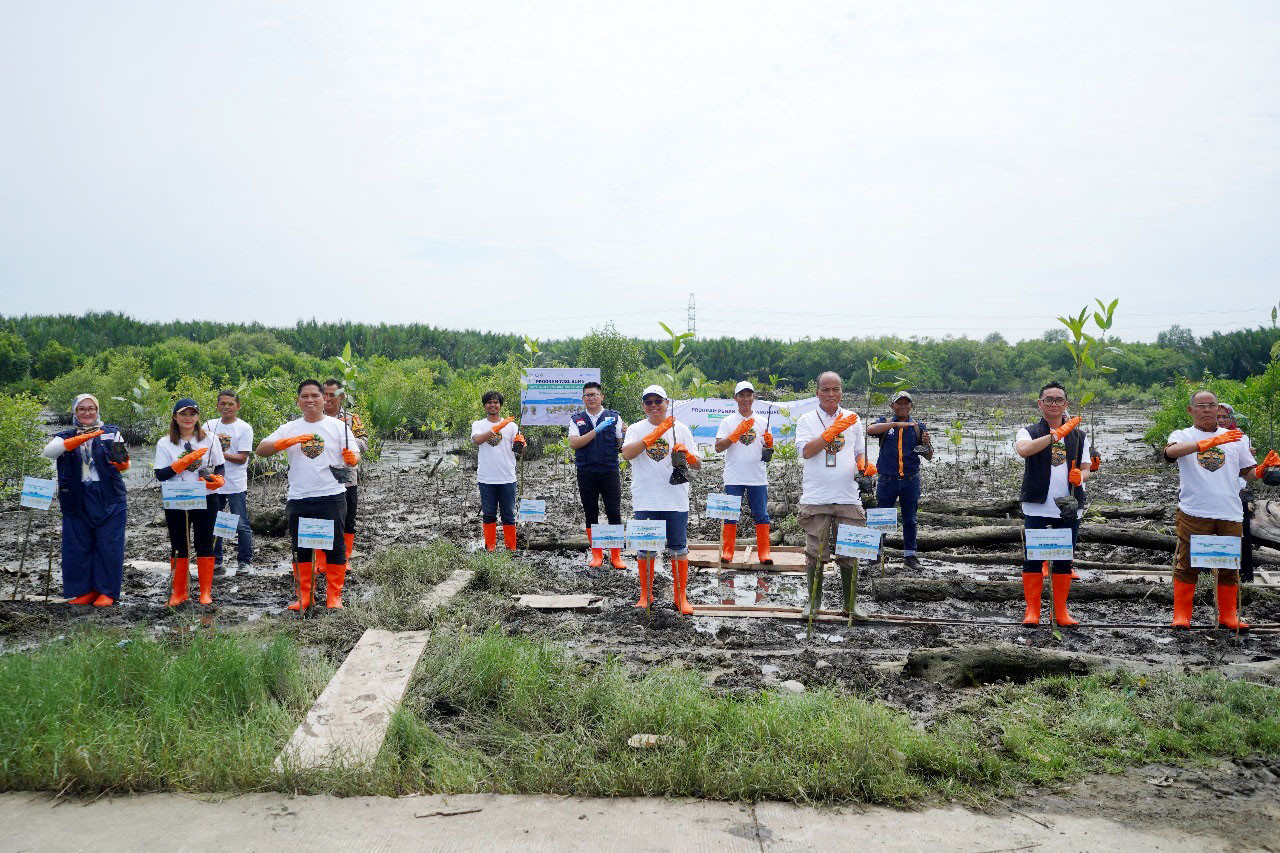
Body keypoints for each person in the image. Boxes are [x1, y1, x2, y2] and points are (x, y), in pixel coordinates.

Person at [1164, 390, 1277, 630]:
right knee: (1187, 564)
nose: (1206, 410)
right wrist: (1207, 443)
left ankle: (1228, 615)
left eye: (1211, 405)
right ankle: (1182, 616)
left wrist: (1262, 470)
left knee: (1230, 565)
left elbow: (1246, 472)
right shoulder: (1183, 435)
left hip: (1229, 511)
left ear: (1219, 409)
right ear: (1190, 410)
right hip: (1194, 511)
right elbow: (1170, 453)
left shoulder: (1236, 438)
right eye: (1201, 405)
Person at [257, 380, 360, 610]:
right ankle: (305, 596)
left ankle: (334, 597)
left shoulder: (338, 426)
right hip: (300, 496)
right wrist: (284, 442)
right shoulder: (290, 427)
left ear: (324, 399)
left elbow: (355, 453)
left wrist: (352, 458)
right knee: (301, 547)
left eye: (315, 395)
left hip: (332, 495)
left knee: (335, 546)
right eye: (305, 396)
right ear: (298, 401)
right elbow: (261, 449)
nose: (310, 400)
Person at [794, 372, 873, 619]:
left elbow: (859, 451)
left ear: (841, 392)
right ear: (817, 392)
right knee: (815, 552)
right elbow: (806, 451)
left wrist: (864, 466)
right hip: (816, 497)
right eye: (826, 389)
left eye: (835, 389)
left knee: (850, 552)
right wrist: (831, 432)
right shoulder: (806, 420)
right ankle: (814, 603)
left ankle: (851, 604)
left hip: (848, 495)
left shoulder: (853, 419)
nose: (831, 394)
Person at [1013, 382, 1093, 626]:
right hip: (1038, 504)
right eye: (1049, 399)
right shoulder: (1028, 431)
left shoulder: (1079, 436)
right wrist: (1054, 436)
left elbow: (1087, 467)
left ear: (1066, 404)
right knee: (1033, 558)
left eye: (1059, 400)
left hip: (1069, 505)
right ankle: (1032, 611)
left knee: (1064, 559)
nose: (1054, 404)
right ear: (1040, 404)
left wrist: (1081, 476)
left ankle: (1060, 612)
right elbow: (1024, 450)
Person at [42, 393, 129, 606]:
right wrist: (76, 441)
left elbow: (124, 459)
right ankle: (84, 591)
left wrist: (124, 464)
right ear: (75, 412)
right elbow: (49, 452)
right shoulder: (64, 436)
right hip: (75, 496)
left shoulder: (111, 433)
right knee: (77, 546)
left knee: (109, 545)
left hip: (109, 495)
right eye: (81, 409)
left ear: (97, 410)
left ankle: (106, 592)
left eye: (91, 408)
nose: (87, 412)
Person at [621, 385, 701, 614]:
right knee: (646, 549)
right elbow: (627, 454)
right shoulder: (636, 429)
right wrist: (654, 435)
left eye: (658, 401)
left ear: (667, 403)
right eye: (649, 402)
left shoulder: (681, 429)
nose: (654, 406)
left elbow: (698, 464)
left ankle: (680, 596)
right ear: (643, 406)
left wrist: (687, 454)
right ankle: (646, 594)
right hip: (646, 500)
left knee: (678, 548)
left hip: (675, 500)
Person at [155, 399, 226, 606]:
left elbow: (220, 466)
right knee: (179, 544)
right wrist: (180, 464)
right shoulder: (165, 442)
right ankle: (179, 592)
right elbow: (160, 474)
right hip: (176, 497)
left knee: (205, 542)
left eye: (192, 414)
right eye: (183, 414)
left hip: (205, 496)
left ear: (198, 417)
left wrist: (219, 479)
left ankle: (205, 592)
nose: (188, 418)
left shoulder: (210, 439)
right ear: (174, 417)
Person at [866, 390, 932, 570]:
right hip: (887, 480)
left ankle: (910, 556)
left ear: (911, 406)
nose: (902, 406)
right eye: (899, 403)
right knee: (881, 518)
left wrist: (926, 443)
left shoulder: (918, 427)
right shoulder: (885, 423)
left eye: (906, 403)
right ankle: (875, 555)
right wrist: (895, 424)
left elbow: (929, 456)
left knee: (910, 520)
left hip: (911, 480)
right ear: (892, 406)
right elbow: (869, 429)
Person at [714, 380, 775, 565]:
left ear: (753, 397)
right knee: (730, 513)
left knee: (761, 514)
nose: (745, 399)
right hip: (734, 476)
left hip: (757, 477)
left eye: (749, 395)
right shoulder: (728, 422)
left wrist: (770, 444)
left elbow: (768, 453)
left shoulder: (763, 421)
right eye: (742, 395)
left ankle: (764, 552)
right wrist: (734, 435)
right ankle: (727, 551)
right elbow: (718, 447)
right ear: (736, 398)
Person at [567, 381, 626, 569]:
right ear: (583, 399)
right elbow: (574, 443)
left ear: (602, 397)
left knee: (614, 512)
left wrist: (625, 434)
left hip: (609, 472)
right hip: (586, 473)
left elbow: (621, 445)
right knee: (591, 512)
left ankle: (616, 556)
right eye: (587, 395)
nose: (591, 398)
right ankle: (597, 554)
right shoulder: (576, 419)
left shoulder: (614, 417)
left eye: (594, 394)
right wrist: (596, 430)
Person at [203, 390, 254, 575]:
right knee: (214, 522)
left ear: (238, 406)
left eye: (231, 404)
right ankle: (217, 561)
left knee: (241, 524)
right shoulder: (209, 425)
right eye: (223, 403)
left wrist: (219, 453)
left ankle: (245, 562)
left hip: (235, 484)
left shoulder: (244, 428)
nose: (227, 407)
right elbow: (201, 449)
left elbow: (242, 458)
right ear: (217, 406)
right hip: (214, 483)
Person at [322, 379, 369, 567]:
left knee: (347, 518)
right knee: (322, 517)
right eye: (324, 394)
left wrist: (347, 443)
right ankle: (322, 560)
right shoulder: (314, 419)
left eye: (332, 395)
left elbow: (364, 442)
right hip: (321, 477)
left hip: (346, 476)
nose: (327, 399)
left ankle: (344, 559)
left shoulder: (351, 419)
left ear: (341, 396)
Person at [471, 390, 524, 552]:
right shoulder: (478, 424)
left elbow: (520, 451)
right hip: (486, 478)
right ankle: (490, 548)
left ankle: (511, 548)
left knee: (508, 514)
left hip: (507, 477)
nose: (492, 405)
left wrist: (521, 443)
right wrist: (497, 427)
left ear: (500, 405)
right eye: (489, 402)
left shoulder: (512, 426)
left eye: (496, 402)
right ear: (484, 406)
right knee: (488, 514)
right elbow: (478, 440)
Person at [1218, 403, 1257, 584]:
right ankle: (1210, 576)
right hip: (1214, 492)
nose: (1221, 420)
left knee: (1240, 535)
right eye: (1218, 417)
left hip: (1237, 491)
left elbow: (1248, 468)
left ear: (1231, 418)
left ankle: (1243, 577)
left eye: (1225, 417)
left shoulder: (1241, 437)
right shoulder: (1204, 437)